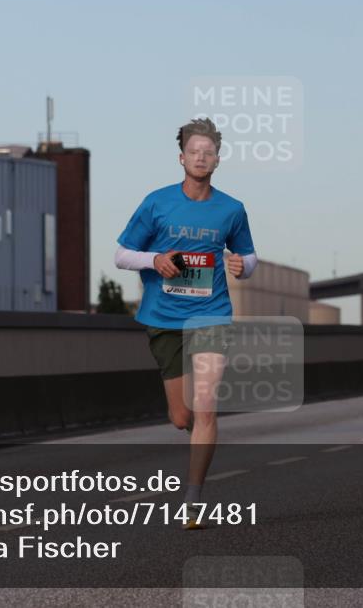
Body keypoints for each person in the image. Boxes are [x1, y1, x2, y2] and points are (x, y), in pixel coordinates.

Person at [114, 118, 257, 529]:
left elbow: (248, 258)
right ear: (182, 158)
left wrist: (241, 265)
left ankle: (193, 501)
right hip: (163, 317)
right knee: (183, 416)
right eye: (194, 151)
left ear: (217, 159)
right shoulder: (157, 203)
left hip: (210, 313)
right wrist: (154, 260)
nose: (201, 157)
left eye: (208, 152)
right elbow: (122, 254)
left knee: (207, 407)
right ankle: (198, 433)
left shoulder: (232, 209)